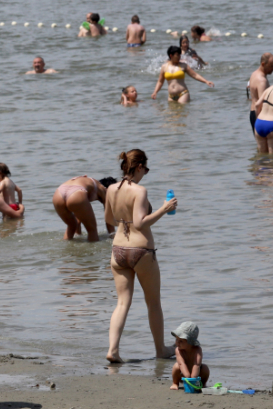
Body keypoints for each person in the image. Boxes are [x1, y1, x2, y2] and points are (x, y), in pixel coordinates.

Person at [104, 149, 178, 363]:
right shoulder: (140, 191)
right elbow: (140, 223)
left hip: (118, 251)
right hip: (141, 251)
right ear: (138, 167)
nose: (146, 172)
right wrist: (164, 209)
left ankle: (113, 350)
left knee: (121, 303)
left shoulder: (110, 189)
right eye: (145, 168)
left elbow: (109, 218)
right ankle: (160, 350)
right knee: (153, 303)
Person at [52, 175, 116, 242]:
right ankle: (92, 251)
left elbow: (78, 217)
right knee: (92, 230)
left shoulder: (87, 183)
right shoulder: (103, 189)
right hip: (76, 192)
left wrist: (79, 236)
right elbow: (109, 218)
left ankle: (67, 247)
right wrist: (112, 237)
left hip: (59, 193)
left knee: (72, 225)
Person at [169, 322, 209, 390]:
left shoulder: (197, 350)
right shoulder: (178, 350)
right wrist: (187, 377)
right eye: (176, 339)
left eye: (181, 341)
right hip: (182, 376)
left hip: (196, 375)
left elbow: (197, 364)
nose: (177, 342)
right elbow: (181, 364)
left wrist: (193, 378)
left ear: (190, 342)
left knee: (205, 368)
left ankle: (203, 384)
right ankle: (175, 383)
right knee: (176, 366)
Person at [247, 52, 273, 133]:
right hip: (259, 115)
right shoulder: (261, 81)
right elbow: (262, 104)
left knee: (261, 144)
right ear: (263, 64)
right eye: (271, 66)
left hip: (253, 114)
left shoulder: (254, 74)